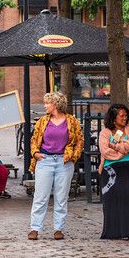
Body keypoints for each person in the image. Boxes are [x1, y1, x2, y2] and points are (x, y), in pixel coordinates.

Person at [28, 91, 83, 241]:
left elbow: (79, 140)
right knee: (40, 196)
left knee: (61, 197)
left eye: (47, 103)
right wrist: (35, 153)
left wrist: (73, 156)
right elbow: (34, 139)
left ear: (55, 104)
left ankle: (59, 229)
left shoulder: (72, 121)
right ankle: (35, 228)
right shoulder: (42, 121)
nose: (45, 105)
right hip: (44, 161)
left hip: (64, 162)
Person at [99, 104, 129, 239]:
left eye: (126, 116)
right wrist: (123, 151)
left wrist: (115, 146)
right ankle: (112, 232)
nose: (125, 118)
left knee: (127, 198)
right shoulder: (105, 133)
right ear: (113, 118)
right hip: (109, 169)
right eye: (122, 116)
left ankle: (128, 231)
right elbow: (105, 152)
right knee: (111, 200)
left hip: (127, 168)